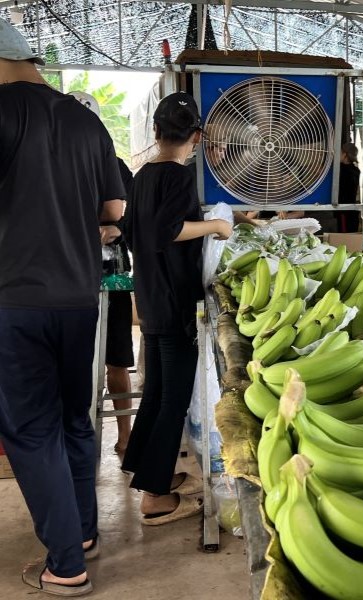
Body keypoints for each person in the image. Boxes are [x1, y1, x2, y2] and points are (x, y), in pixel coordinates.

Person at [0, 19, 124, 596]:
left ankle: (66, 564)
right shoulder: (85, 119)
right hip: (80, 297)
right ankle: (85, 532)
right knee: (78, 419)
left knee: (30, 430)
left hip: (13, 300)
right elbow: (115, 208)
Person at [121, 92, 232, 525]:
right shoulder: (179, 177)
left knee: (157, 391)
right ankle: (153, 497)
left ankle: (149, 472)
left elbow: (133, 231)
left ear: (155, 131)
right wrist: (216, 226)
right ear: (198, 136)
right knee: (173, 398)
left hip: (149, 297)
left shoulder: (142, 175)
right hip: (173, 302)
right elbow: (168, 229)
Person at [70, 91, 134, 456]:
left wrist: (116, 228)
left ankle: (125, 436)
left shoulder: (118, 167)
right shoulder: (52, 167)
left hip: (113, 275)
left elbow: (133, 218)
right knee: (75, 361)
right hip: (70, 276)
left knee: (116, 358)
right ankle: (79, 438)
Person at [336, 142, 361, 233]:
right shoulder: (356, 170)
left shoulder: (341, 170)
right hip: (352, 210)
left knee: (344, 237)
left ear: (345, 154)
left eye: (339, 153)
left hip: (343, 211)